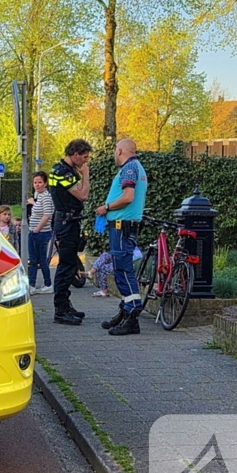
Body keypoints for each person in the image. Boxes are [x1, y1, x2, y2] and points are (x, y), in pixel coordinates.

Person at [95, 138, 149, 335]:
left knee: (123, 269)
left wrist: (106, 207)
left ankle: (132, 314)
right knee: (122, 267)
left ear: (119, 151)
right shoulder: (138, 168)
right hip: (124, 225)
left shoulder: (128, 168)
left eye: (115, 151)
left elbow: (128, 197)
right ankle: (125, 311)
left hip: (121, 226)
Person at [48, 139, 92, 325]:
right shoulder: (63, 172)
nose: (85, 161)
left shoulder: (64, 170)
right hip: (66, 222)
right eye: (84, 157)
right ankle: (61, 309)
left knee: (69, 264)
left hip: (67, 220)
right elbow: (83, 194)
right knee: (66, 266)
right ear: (74, 154)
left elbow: (79, 192)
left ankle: (65, 304)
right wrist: (86, 175)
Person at [26, 171, 54, 295]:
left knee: (41, 260)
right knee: (33, 260)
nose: (37, 185)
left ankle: (48, 284)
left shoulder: (47, 197)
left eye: (40, 182)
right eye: (35, 182)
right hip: (34, 232)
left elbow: (47, 214)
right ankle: (31, 285)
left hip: (41, 233)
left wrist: (37, 228)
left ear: (45, 184)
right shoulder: (40, 196)